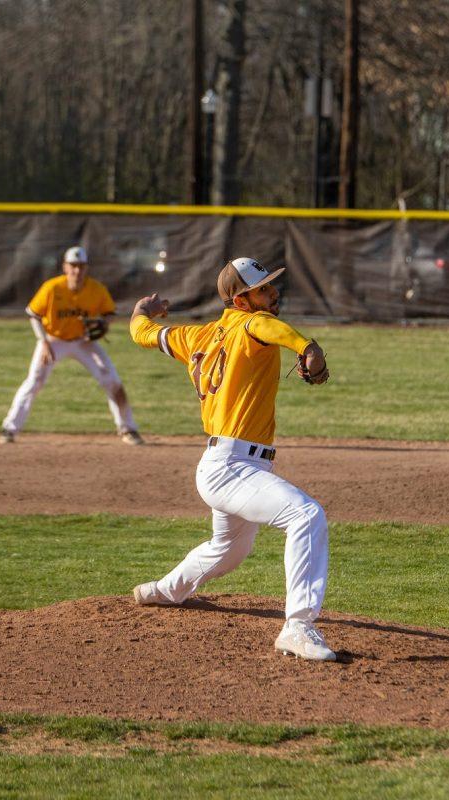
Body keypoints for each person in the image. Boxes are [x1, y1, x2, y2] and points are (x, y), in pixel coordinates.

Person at [127, 257, 338, 662]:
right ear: (241, 300)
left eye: (271, 286)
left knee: (229, 549)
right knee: (306, 516)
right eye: (263, 289)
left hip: (230, 464)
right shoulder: (249, 324)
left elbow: (145, 333)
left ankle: (164, 591)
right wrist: (306, 346)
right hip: (231, 468)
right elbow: (267, 327)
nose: (272, 293)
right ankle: (298, 627)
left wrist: (140, 312)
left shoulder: (198, 335)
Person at [0, 246, 142, 444]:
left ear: (86, 268)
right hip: (53, 340)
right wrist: (43, 342)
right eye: (73, 266)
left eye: (81, 266)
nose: (77, 270)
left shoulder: (96, 289)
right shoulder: (52, 287)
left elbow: (109, 313)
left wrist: (104, 326)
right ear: (65, 267)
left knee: (113, 382)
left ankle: (128, 429)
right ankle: (10, 428)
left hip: (83, 342)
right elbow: (34, 314)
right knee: (35, 381)